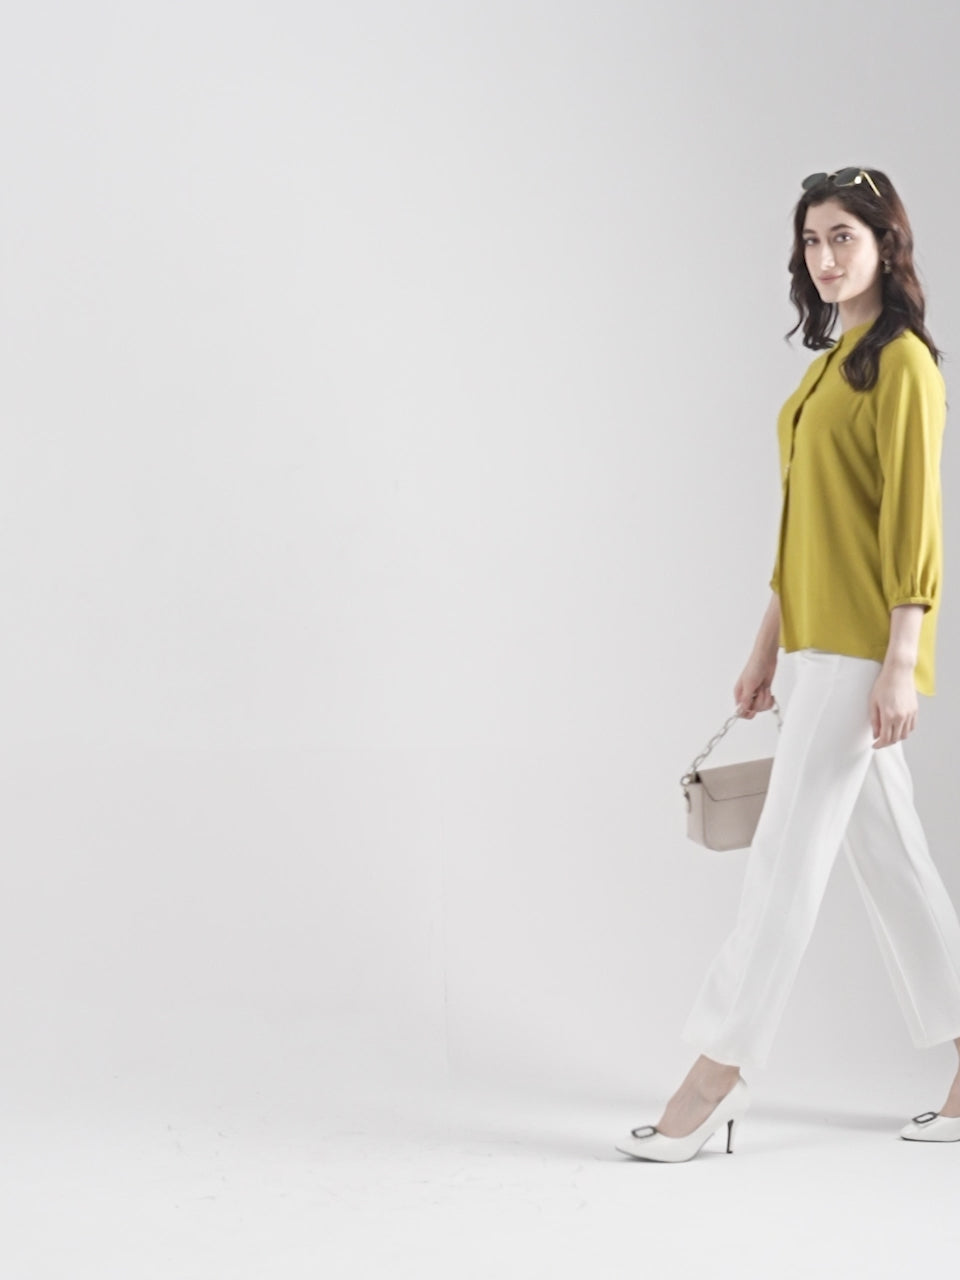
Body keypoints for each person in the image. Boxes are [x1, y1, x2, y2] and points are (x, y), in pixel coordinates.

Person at [616, 167, 960, 1163]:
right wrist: (766, 645)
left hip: (860, 652)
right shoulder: (830, 363)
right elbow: (806, 524)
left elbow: (913, 522)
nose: (826, 256)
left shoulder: (904, 364)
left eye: (844, 235)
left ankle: (717, 1073)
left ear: (886, 244)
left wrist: (901, 656)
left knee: (783, 865)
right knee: (895, 864)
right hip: (814, 646)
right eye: (813, 240)